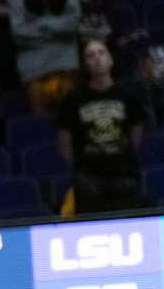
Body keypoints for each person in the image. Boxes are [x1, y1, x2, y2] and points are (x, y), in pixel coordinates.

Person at [57, 38, 147, 213]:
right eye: (90, 55)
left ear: (110, 59)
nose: (97, 58)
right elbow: (65, 144)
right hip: (89, 181)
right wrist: (80, 171)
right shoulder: (72, 100)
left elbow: (136, 137)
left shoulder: (128, 95)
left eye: (101, 52)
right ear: (85, 64)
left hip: (124, 177)